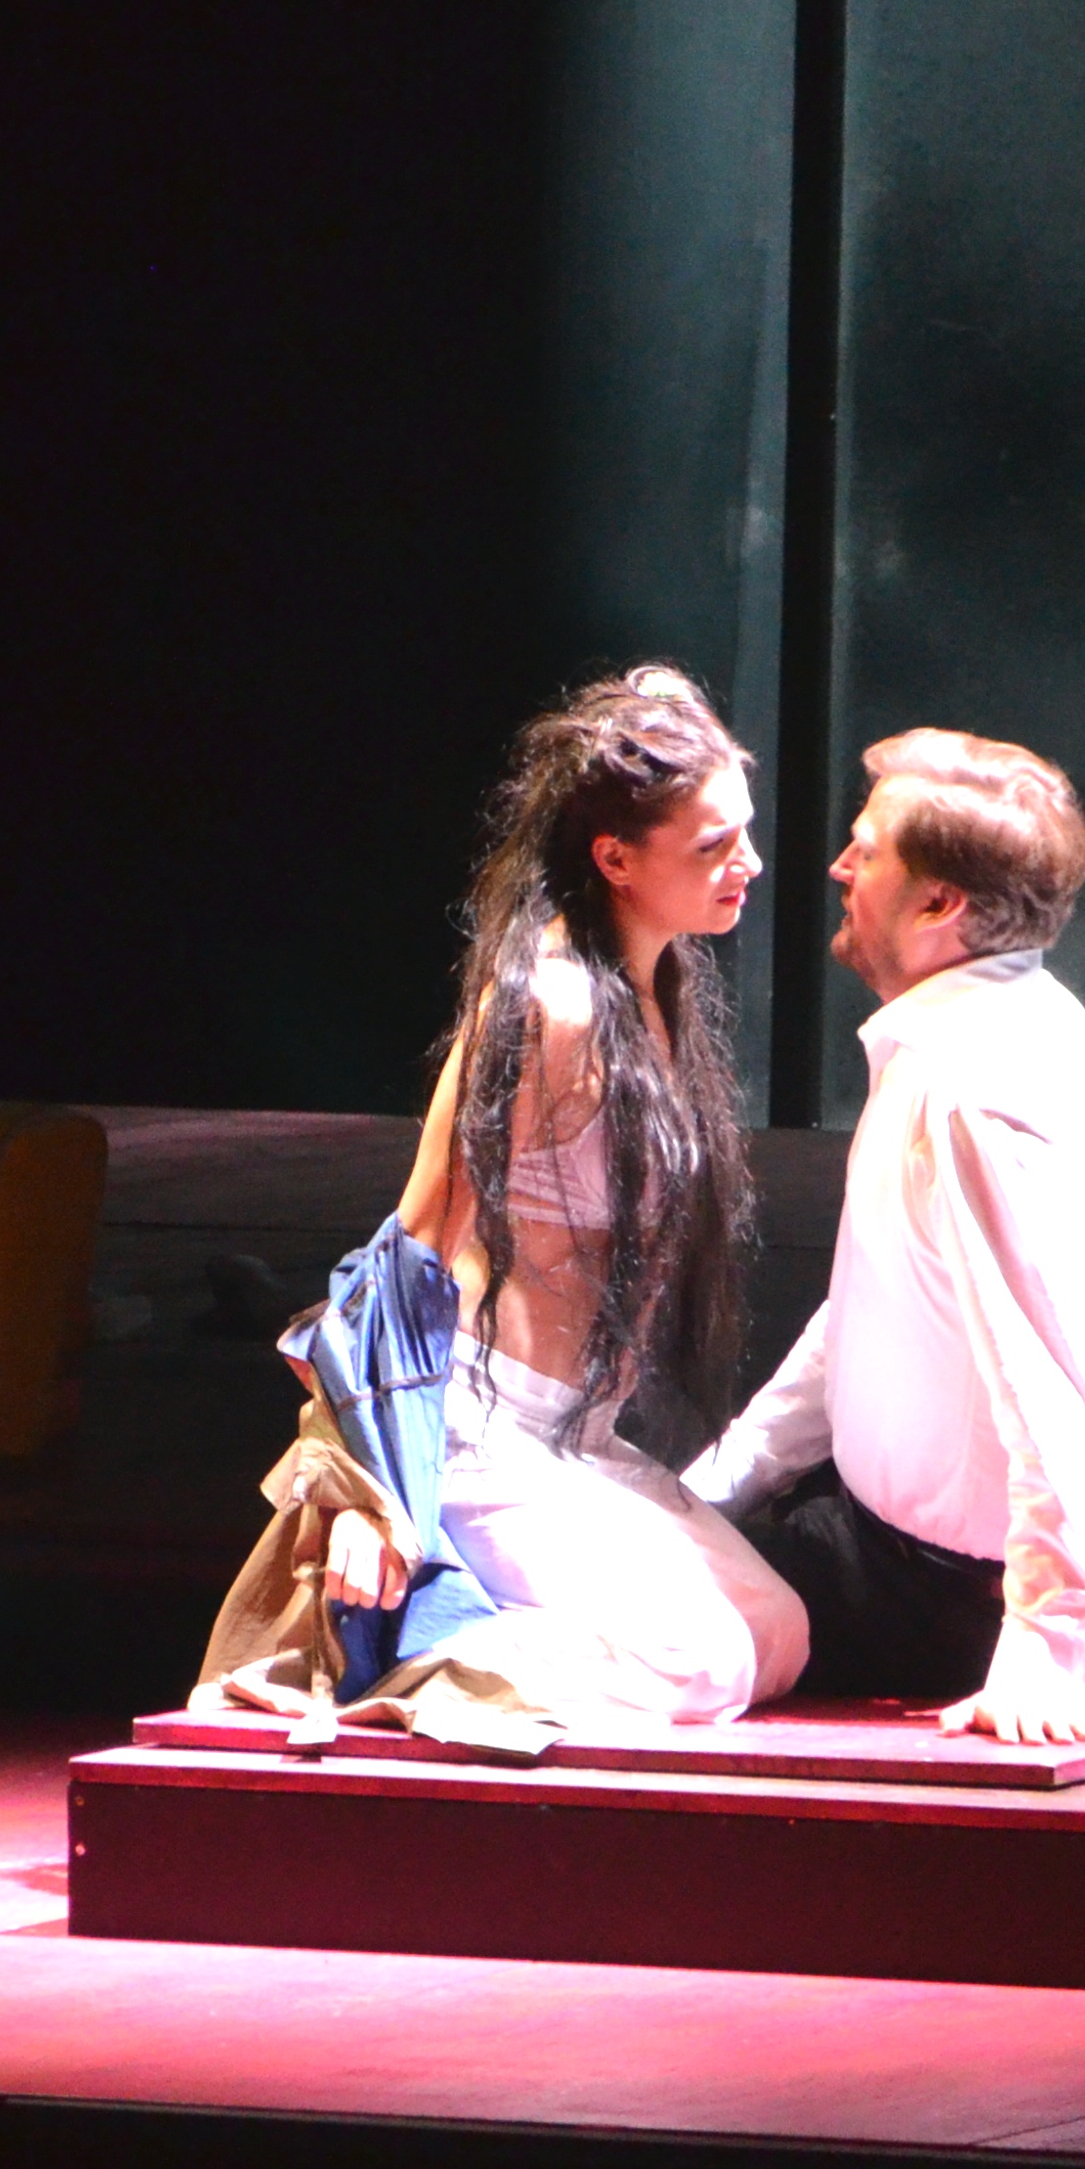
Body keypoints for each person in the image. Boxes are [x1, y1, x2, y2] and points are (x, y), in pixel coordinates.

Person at [206, 667, 808, 1734]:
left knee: (776, 1628)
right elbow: (411, 1244)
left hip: (577, 1434)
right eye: (714, 844)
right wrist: (362, 1486)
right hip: (483, 1435)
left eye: (745, 832)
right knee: (702, 1659)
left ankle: (482, 1627)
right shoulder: (545, 1004)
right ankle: (413, 1652)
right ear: (614, 857)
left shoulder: (660, 989)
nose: (749, 863)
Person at [679, 728, 1085, 1747]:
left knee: (616, 1605)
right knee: (662, 1521)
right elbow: (876, 1306)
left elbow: (1054, 1383)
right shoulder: (978, 1027)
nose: (839, 869)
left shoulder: (972, 1088)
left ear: (940, 905)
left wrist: (1048, 1646)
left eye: (867, 850)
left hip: (937, 1589)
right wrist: (721, 1482)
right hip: (896, 1539)